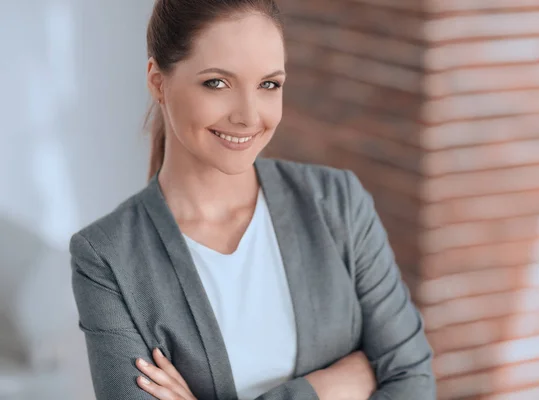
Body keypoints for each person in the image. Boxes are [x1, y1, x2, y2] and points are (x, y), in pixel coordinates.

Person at [69, 0, 436, 399]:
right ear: (159, 82)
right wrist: (323, 389)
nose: (248, 116)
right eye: (217, 83)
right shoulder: (107, 257)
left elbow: (413, 380)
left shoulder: (337, 203)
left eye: (268, 85)